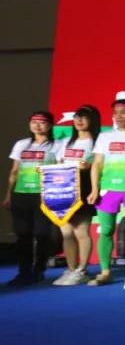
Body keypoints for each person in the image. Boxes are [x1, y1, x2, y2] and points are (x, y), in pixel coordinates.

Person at [87, 99, 125, 286]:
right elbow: (97, 164)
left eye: (124, 112)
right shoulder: (105, 136)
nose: (119, 116)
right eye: (116, 112)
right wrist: (94, 188)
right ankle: (105, 272)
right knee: (106, 230)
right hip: (108, 189)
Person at [4, 111, 62, 286]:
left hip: (43, 195)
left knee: (42, 234)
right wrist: (8, 195)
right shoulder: (22, 144)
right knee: (23, 235)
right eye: (34, 122)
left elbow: (60, 170)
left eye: (42, 122)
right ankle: (24, 272)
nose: (37, 125)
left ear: (50, 125)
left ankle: (39, 270)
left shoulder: (58, 145)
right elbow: (14, 171)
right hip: (21, 194)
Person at [53, 105, 102, 286]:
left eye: (84, 117)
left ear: (93, 120)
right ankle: (71, 269)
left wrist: (87, 167)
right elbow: (58, 163)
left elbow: (98, 165)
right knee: (66, 231)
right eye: (76, 117)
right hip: (64, 188)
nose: (79, 120)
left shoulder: (97, 142)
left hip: (84, 187)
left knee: (81, 231)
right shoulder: (66, 142)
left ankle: (82, 270)